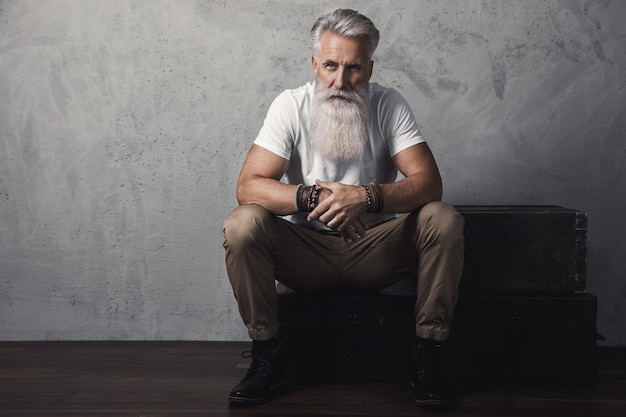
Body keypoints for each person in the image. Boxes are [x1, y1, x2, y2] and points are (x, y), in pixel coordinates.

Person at [222, 9, 464, 408]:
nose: (339, 81)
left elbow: (429, 183)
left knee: (444, 218)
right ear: (315, 63)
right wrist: (313, 199)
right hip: (306, 252)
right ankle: (267, 355)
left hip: (375, 249)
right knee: (243, 223)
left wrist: (365, 198)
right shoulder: (290, 105)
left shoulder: (389, 104)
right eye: (331, 65)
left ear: (369, 68)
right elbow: (248, 186)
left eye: (353, 67)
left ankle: (428, 356)